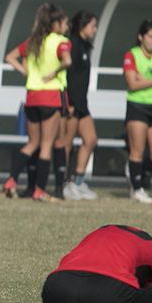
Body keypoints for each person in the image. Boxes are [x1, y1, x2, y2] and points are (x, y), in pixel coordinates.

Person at [3, 3, 71, 202]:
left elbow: (10, 57)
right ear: (55, 23)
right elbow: (67, 61)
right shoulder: (60, 41)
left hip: (31, 96)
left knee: (32, 142)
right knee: (47, 145)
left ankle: (11, 180)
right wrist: (54, 73)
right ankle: (39, 190)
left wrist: (26, 72)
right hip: (50, 97)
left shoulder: (33, 41)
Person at [123, 20, 152, 204]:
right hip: (137, 106)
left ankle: (139, 179)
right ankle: (136, 189)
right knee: (137, 150)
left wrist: (145, 80)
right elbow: (132, 84)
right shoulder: (132, 54)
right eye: (150, 36)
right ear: (141, 37)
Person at [61, 11, 99, 201]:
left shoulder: (85, 46)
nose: (95, 29)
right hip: (72, 103)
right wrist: (70, 103)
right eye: (92, 25)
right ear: (82, 26)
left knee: (91, 139)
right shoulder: (73, 44)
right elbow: (69, 76)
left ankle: (78, 181)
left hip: (82, 103)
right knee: (67, 144)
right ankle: (65, 183)